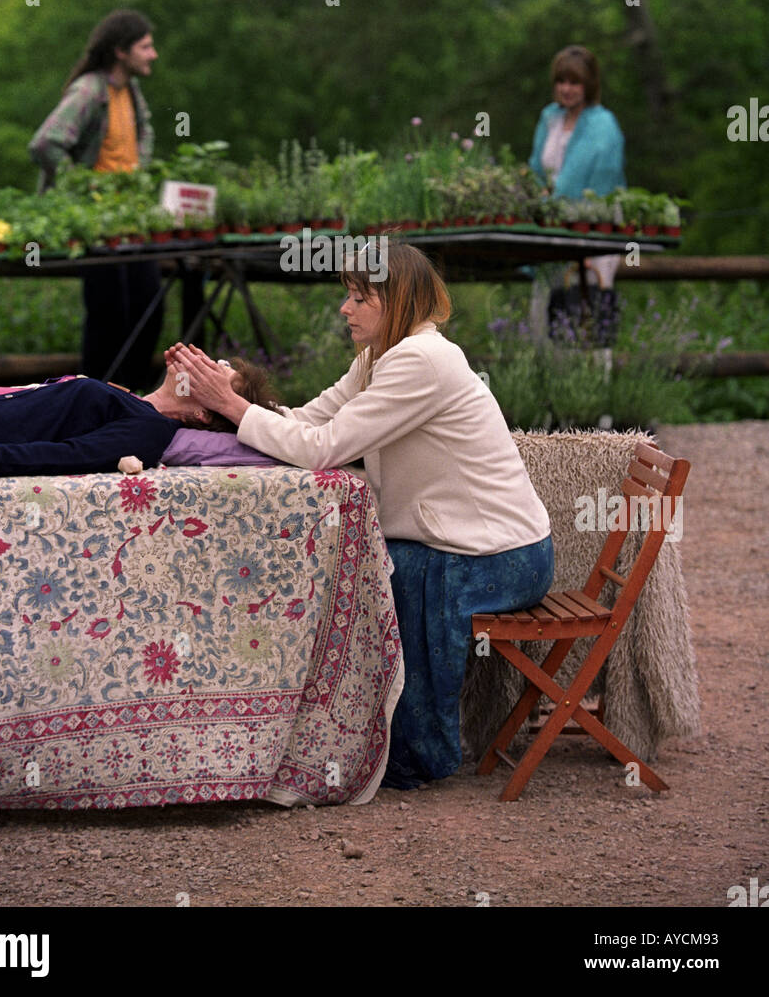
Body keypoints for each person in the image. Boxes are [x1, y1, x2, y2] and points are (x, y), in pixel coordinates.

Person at [172, 241, 554, 789]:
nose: (344, 309)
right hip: (464, 545)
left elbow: (324, 447)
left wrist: (233, 408)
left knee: (401, 575)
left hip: (503, 556)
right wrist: (231, 396)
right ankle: (331, 734)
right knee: (366, 568)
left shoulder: (423, 361)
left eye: (359, 297)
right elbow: (305, 421)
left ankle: (420, 756)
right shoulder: (379, 359)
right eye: (347, 296)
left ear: (394, 300)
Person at [28, 9, 165, 391]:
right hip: (94, 220)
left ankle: (130, 396)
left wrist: (139, 177)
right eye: (146, 46)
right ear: (121, 51)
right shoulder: (90, 90)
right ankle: (93, 398)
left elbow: (144, 134)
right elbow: (44, 143)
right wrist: (79, 188)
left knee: (148, 306)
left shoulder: (131, 92)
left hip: (129, 217)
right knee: (109, 313)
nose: (153, 54)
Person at [0, 353, 280, 483]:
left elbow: (62, 456)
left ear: (201, 413)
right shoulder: (135, 404)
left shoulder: (149, 431)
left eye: (214, 376)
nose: (203, 363)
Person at [528, 44, 626, 343]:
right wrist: (537, 196)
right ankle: (551, 386)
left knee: (587, 315)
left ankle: (592, 386)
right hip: (550, 225)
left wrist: (584, 241)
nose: (566, 88)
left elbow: (601, 184)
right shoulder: (550, 118)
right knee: (546, 316)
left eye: (574, 82)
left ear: (589, 84)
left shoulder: (603, 125)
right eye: (561, 81)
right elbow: (535, 168)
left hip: (592, 225)